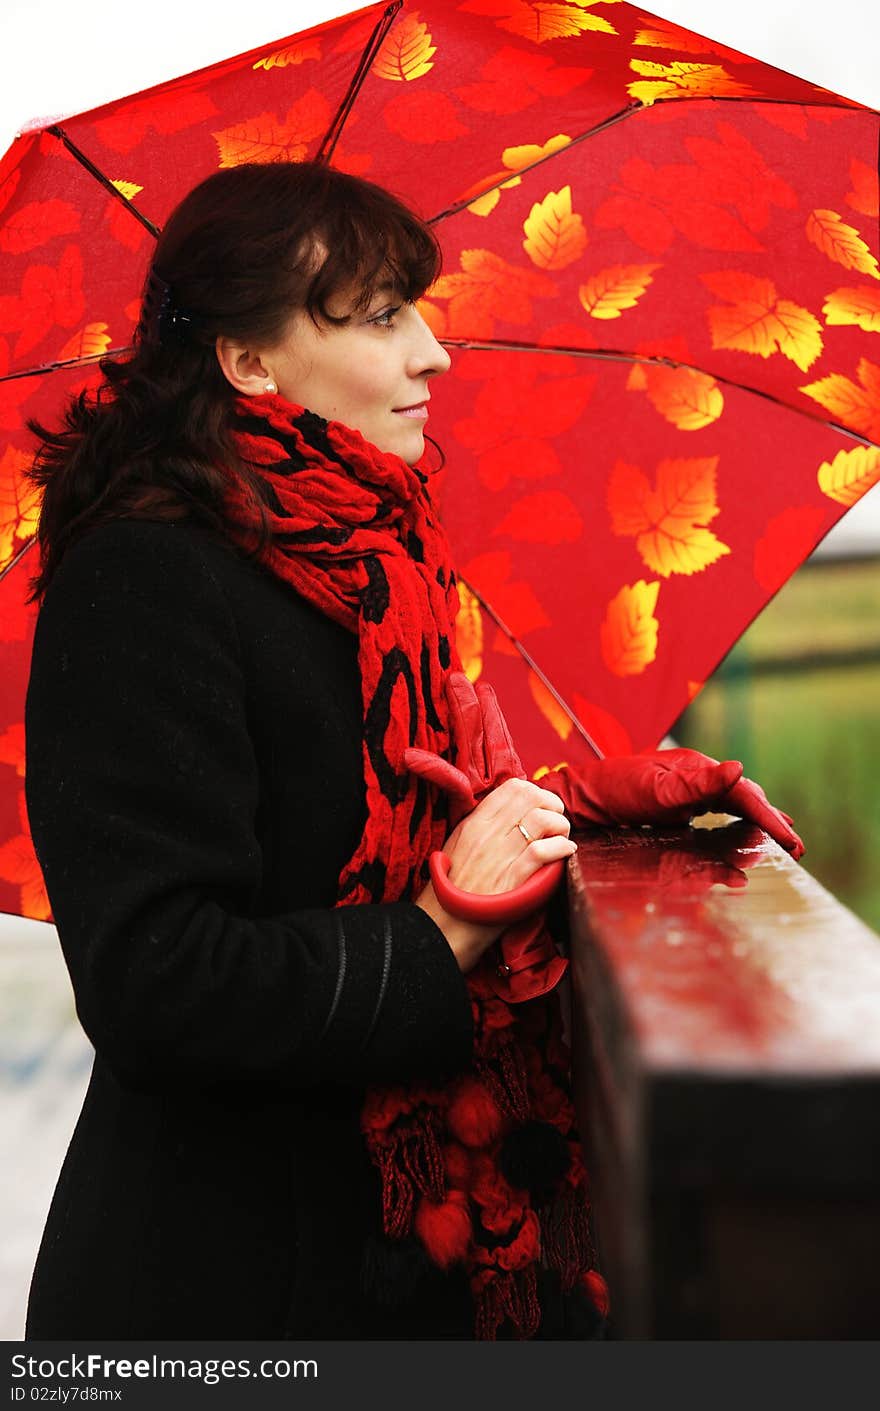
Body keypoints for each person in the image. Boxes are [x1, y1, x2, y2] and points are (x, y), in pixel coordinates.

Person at [21, 161, 802, 1342]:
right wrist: (442, 931)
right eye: (383, 318)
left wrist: (572, 806)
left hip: (391, 1272)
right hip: (233, 1296)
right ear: (249, 362)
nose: (433, 354)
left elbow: (388, 814)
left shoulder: (374, 571)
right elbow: (155, 983)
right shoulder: (143, 580)